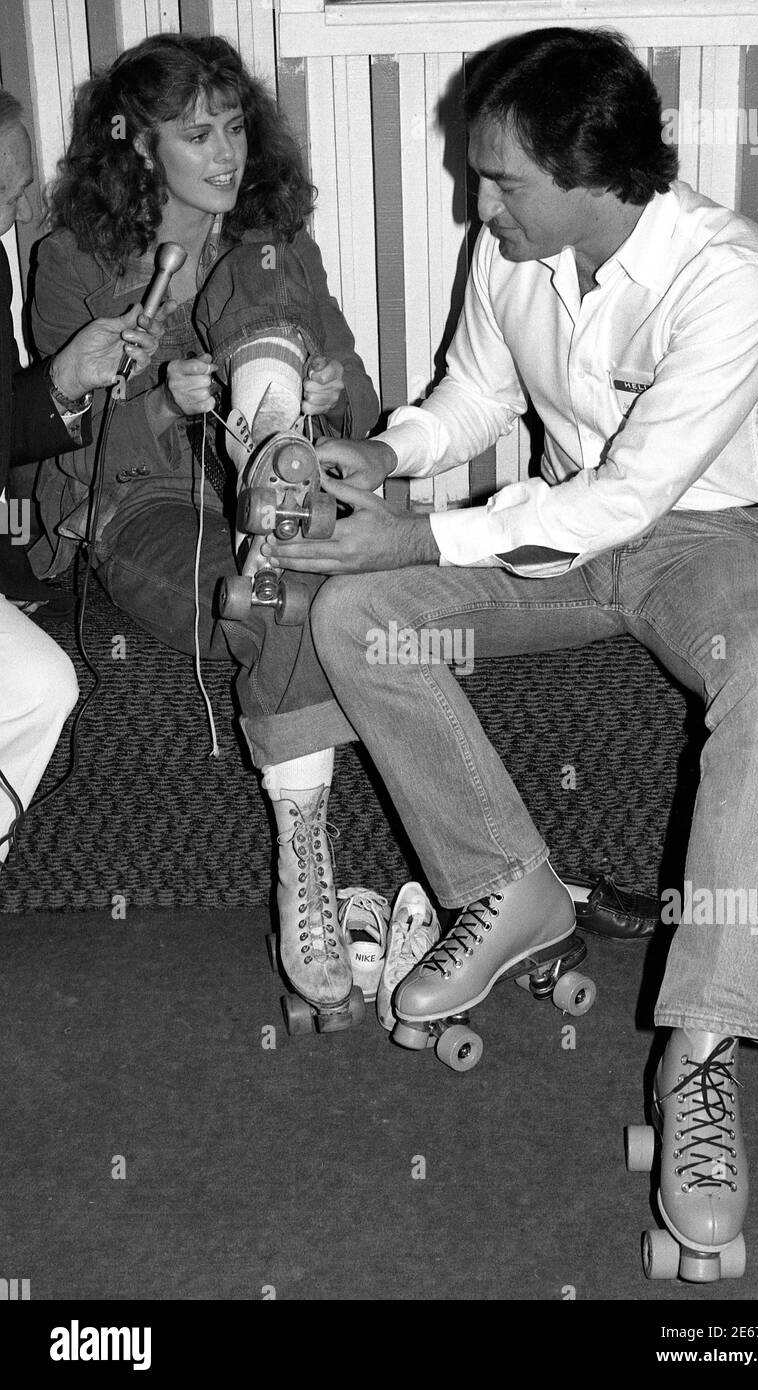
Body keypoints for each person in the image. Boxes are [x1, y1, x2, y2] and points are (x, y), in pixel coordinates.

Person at [271, 28, 758, 1279]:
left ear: (594, 176)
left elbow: (633, 499)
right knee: (356, 615)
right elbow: (476, 392)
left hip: (708, 540)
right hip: (563, 532)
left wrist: (421, 531)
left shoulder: (732, 279)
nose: (479, 204)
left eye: (502, 182)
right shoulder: (515, 250)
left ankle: (702, 1054)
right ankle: (508, 884)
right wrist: (393, 453)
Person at [27, 34, 383, 1025]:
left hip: (265, 498)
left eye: (233, 127)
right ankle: (303, 869)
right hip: (141, 504)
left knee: (284, 578)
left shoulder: (271, 247)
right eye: (196, 134)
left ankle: (313, 862)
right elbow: (54, 441)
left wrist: (325, 396)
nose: (225, 153)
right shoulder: (73, 258)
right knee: (279, 597)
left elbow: (359, 399)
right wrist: (154, 399)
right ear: (139, 147)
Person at [0, 89, 165, 865]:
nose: (25, 205)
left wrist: (63, 379)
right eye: (3, 191)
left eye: (24, 180)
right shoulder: (59, 260)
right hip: (128, 504)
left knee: (41, 684)